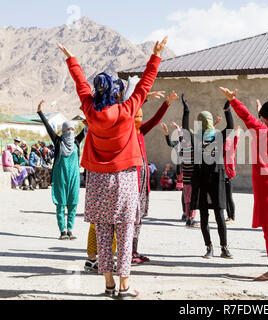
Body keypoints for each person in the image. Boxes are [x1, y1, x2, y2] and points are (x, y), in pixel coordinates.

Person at [58, 36, 167, 299]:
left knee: (104, 233)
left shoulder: (89, 110)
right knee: (126, 232)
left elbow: (80, 85)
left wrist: (72, 60)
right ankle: (124, 287)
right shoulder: (127, 109)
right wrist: (155, 56)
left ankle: (108, 285)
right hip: (124, 180)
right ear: (116, 92)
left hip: (97, 181)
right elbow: (144, 84)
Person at [219, 86, 268, 281]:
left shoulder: (263, 131)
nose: (261, 119)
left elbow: (247, 118)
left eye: (263, 117)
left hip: (267, 184)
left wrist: (233, 100)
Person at [181, 94, 234, 259]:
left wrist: (228, 108)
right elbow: (184, 128)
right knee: (204, 216)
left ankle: (224, 248)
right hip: (201, 181)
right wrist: (186, 110)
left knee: (219, 215)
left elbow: (230, 127)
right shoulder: (196, 137)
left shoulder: (218, 135)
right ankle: (209, 247)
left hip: (216, 180)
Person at [132, 88, 178, 264]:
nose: (140, 119)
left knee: (139, 220)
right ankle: (127, 251)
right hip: (132, 183)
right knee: (131, 219)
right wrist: (143, 98)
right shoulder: (127, 134)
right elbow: (128, 109)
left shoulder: (141, 132)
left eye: (141, 116)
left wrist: (167, 103)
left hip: (143, 183)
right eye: (137, 116)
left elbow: (155, 119)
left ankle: (134, 250)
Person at [37, 100, 86, 240]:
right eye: (67, 130)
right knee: (60, 204)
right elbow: (48, 128)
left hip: (74, 178)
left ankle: (70, 229)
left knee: (73, 203)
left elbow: (88, 127)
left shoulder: (77, 141)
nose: (70, 132)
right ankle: (62, 231)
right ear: (63, 131)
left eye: (71, 129)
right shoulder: (58, 142)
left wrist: (89, 111)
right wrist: (40, 113)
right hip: (60, 177)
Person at [161, 121, 199, 227]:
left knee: (187, 194)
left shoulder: (190, 147)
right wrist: (167, 133)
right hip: (183, 171)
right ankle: (187, 215)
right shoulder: (183, 145)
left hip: (186, 172)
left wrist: (178, 128)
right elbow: (171, 143)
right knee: (186, 194)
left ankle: (187, 215)